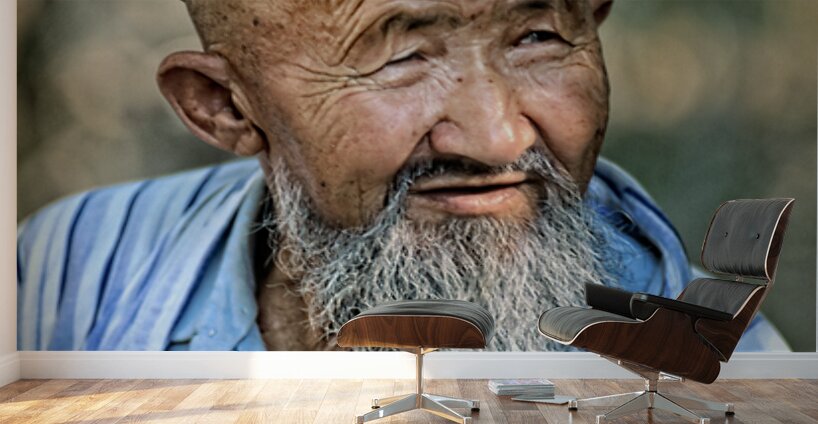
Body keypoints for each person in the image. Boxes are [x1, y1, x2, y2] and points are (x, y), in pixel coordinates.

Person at [17, 0, 788, 352]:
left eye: (538, 36)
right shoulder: (67, 278)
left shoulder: (726, 375)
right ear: (225, 108)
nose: (497, 136)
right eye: (402, 58)